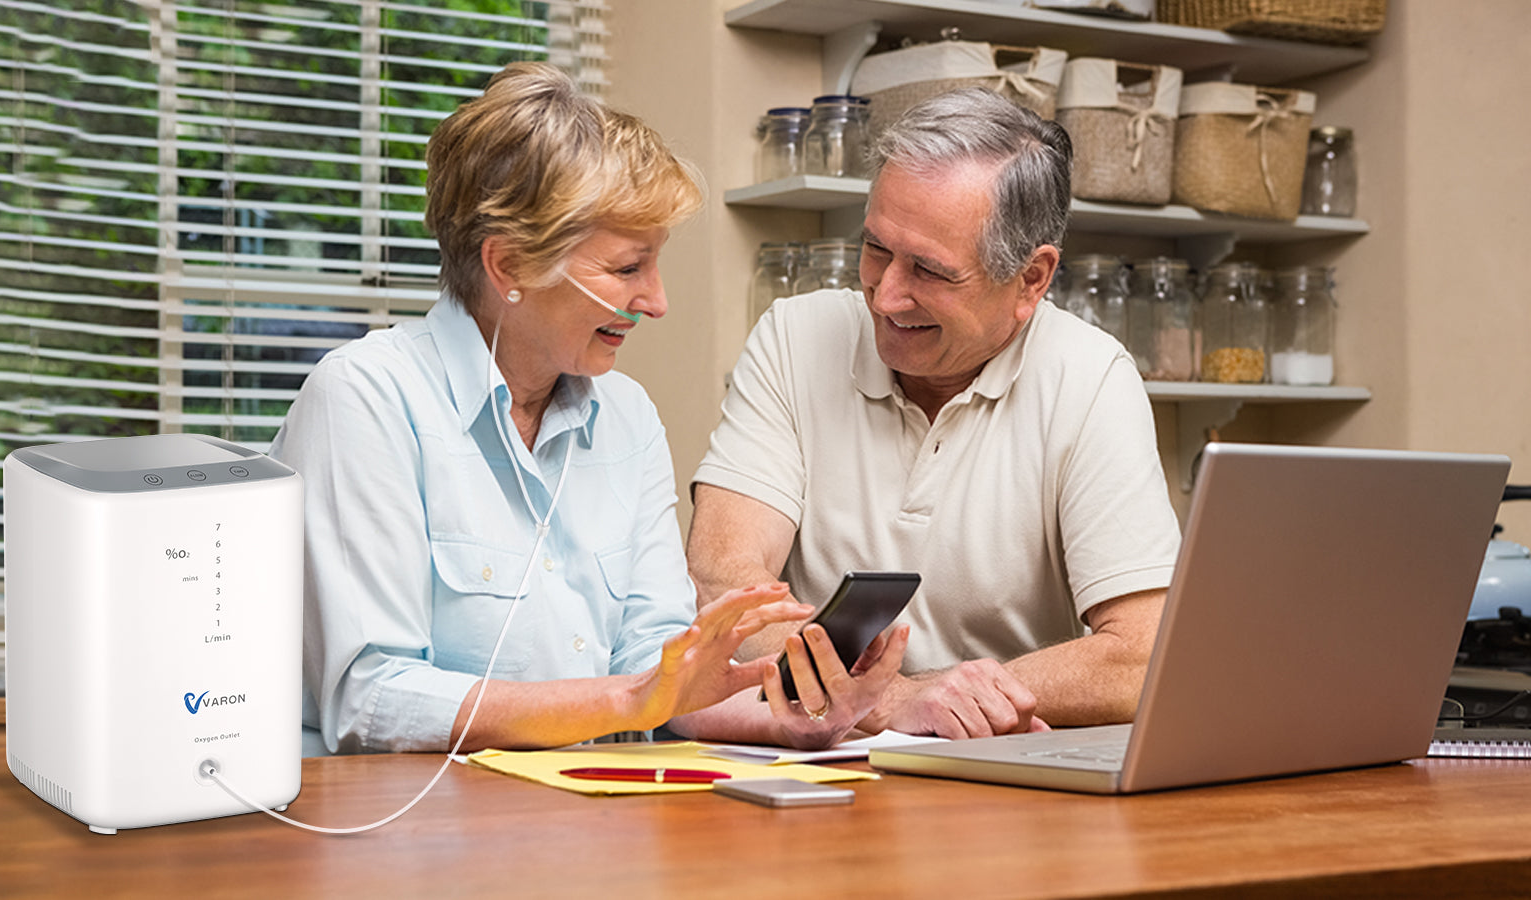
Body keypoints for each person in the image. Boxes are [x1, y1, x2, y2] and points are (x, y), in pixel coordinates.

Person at [273, 62, 906, 756]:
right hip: (415, 817)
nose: (657, 301)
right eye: (628, 268)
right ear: (510, 266)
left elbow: (656, 672)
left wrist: (790, 719)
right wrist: (625, 701)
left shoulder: (627, 417)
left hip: (588, 807)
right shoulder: (365, 398)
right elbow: (371, 698)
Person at [687, 87, 1182, 739]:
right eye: (875, 249)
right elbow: (724, 578)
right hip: (817, 763)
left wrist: (930, 700)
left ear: (1031, 279)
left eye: (929, 270)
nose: (886, 296)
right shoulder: (793, 336)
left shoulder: (1091, 376)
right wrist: (886, 704)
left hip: (999, 771)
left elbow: (1140, 658)